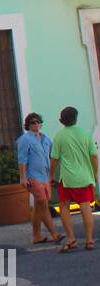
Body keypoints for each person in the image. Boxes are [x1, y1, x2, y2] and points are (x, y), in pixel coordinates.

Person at [50, 106, 98, 253]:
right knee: (85, 207)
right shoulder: (85, 134)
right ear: (76, 118)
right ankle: (89, 240)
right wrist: (95, 173)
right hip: (84, 177)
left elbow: (54, 159)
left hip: (67, 178)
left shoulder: (59, 136)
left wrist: (51, 175)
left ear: (62, 121)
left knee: (64, 206)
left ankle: (71, 238)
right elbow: (94, 156)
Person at [16, 113, 64, 247]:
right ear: (28, 125)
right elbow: (22, 159)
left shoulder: (46, 139)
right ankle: (55, 234)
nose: (36, 124)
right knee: (43, 203)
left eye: (38, 122)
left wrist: (53, 176)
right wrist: (23, 177)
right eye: (33, 122)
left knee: (39, 206)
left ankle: (37, 236)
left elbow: (54, 155)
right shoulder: (25, 139)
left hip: (45, 177)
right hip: (33, 177)